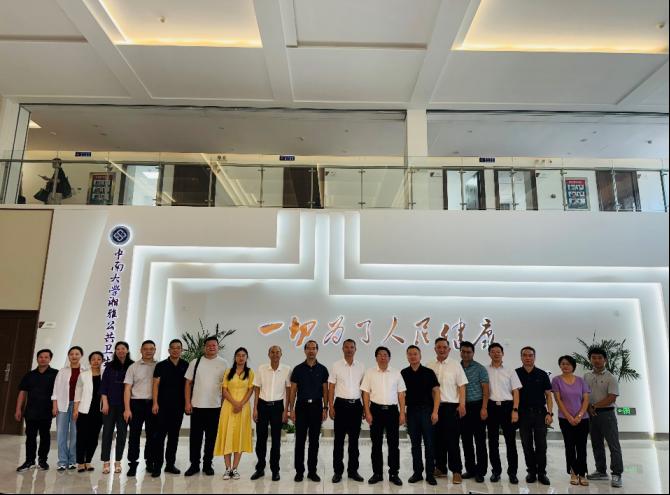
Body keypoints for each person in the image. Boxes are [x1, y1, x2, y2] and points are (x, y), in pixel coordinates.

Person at [361, 346, 407, 487]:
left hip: (392, 411)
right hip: (375, 410)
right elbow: (365, 394)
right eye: (380, 355)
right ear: (376, 357)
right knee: (376, 444)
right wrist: (367, 412)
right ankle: (377, 473)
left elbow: (401, 394)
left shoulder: (396, 373)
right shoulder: (370, 373)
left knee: (394, 444)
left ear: (389, 357)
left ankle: (394, 473)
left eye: (385, 355)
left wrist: (402, 413)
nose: (383, 357)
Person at [184, 336, 228, 476]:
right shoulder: (195, 362)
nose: (211, 347)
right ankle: (194, 465)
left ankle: (208, 464)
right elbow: (188, 383)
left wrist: (224, 405)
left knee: (211, 438)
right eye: (209, 345)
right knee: (195, 438)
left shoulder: (224, 363)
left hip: (215, 406)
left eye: (214, 345)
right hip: (197, 406)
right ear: (204, 347)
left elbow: (226, 387)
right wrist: (187, 402)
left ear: (218, 347)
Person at [427, 337, 468, 484]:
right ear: (435, 349)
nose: (442, 350)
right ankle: (441, 468)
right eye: (439, 347)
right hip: (434, 408)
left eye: (444, 347)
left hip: (451, 407)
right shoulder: (429, 365)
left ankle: (456, 471)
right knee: (437, 439)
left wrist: (462, 404)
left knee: (452, 440)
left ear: (449, 349)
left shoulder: (455, 365)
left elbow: (462, 386)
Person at [289, 340, 329, 482]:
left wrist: (325, 408)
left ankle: (312, 471)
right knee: (300, 441)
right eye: (309, 348)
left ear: (317, 350)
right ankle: (299, 471)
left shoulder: (323, 369)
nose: (311, 351)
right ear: (305, 350)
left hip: (317, 407)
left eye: (314, 348)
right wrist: (291, 409)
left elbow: (325, 390)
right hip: (301, 407)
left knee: (314, 441)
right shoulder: (298, 369)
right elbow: (293, 390)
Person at [250, 345, 291, 482]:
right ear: (269, 354)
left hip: (277, 407)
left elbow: (289, 391)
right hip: (262, 406)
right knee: (260, 439)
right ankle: (260, 468)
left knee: (276, 440)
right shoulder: (261, 368)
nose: (275, 354)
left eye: (277, 352)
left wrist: (286, 410)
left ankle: (275, 470)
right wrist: (255, 408)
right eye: (272, 352)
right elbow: (256, 389)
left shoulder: (286, 369)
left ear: (281, 354)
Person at [585, 347, 624, 488]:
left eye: (600, 358)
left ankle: (617, 474)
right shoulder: (586, 376)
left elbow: (611, 397)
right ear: (590, 359)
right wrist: (588, 408)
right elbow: (584, 394)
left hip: (607, 414)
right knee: (596, 444)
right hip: (591, 415)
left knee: (613, 444)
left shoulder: (610, 377)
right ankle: (601, 471)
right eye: (594, 358)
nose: (597, 360)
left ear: (605, 360)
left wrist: (594, 406)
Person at [328, 338, 365, 483]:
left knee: (354, 441)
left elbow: (364, 389)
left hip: (356, 406)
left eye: (352, 347)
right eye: (346, 347)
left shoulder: (361, 366)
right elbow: (331, 387)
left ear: (355, 349)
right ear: (342, 349)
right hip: (340, 406)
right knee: (338, 440)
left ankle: (353, 471)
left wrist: (365, 407)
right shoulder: (336, 365)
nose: (349, 349)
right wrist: (331, 406)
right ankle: (338, 472)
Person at [401, 345, 440, 486]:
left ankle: (430, 474)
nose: (412, 356)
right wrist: (403, 412)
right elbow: (401, 394)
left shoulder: (429, 372)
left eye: (415, 354)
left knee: (429, 444)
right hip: (411, 412)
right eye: (410, 354)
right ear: (407, 356)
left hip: (427, 411)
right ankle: (417, 473)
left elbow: (436, 392)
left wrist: (435, 411)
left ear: (420, 355)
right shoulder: (404, 373)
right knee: (415, 444)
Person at [214, 347, 255, 480]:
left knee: (239, 436)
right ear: (235, 357)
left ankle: (235, 468)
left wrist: (240, 404)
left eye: (243, 355)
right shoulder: (228, 371)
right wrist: (234, 403)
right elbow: (224, 390)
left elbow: (250, 390)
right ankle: (227, 468)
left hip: (243, 408)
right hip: (228, 407)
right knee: (227, 435)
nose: (241, 358)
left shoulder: (250, 372)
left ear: (246, 358)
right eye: (238, 355)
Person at [15, 349, 58, 472]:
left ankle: (43, 461)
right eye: (40, 357)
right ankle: (29, 461)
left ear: (50, 359)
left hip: (46, 411)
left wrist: (55, 407)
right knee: (30, 437)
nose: (43, 359)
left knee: (45, 436)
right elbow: (22, 392)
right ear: (37, 358)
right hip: (31, 411)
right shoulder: (30, 375)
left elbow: (59, 392)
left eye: (46, 357)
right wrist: (18, 409)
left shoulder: (56, 374)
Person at [151, 338, 188, 477]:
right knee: (159, 437)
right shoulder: (161, 365)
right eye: (173, 347)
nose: (175, 350)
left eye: (178, 348)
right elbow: (155, 385)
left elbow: (188, 386)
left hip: (178, 407)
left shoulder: (185, 365)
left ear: (181, 350)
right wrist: (155, 403)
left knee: (174, 437)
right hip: (162, 407)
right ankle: (157, 466)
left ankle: (170, 464)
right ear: (169, 350)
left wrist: (187, 403)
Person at [515, 346, 553, 485]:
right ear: (521, 357)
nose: (528, 358)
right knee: (527, 444)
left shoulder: (542, 374)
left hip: (540, 414)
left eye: (530, 355)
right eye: (525, 355)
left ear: (534, 357)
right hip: (523, 414)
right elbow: (514, 394)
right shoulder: (516, 373)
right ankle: (531, 472)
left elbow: (548, 396)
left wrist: (549, 413)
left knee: (541, 445)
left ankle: (542, 473)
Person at [552, 355, 591, 487]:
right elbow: (558, 400)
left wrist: (579, 416)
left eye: (568, 364)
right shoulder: (556, 380)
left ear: (573, 366)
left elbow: (586, 400)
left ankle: (582, 474)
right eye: (563, 363)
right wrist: (569, 417)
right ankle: (573, 473)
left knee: (581, 447)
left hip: (583, 419)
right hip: (565, 419)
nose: (565, 366)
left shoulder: (581, 381)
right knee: (569, 446)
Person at [486, 342, 521, 484]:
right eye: (493, 351)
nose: (496, 354)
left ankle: (512, 473)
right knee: (492, 442)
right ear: (489, 354)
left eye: (498, 351)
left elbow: (516, 391)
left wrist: (515, 410)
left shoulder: (510, 370)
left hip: (507, 407)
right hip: (491, 407)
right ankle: (496, 471)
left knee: (510, 442)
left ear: (503, 354)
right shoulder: (485, 370)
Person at [123, 339, 158, 477]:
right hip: (136, 404)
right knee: (134, 436)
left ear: (155, 350)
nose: (148, 351)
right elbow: (127, 388)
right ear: (141, 350)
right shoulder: (133, 367)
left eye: (151, 349)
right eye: (145, 349)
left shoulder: (159, 366)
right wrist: (127, 409)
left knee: (152, 435)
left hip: (153, 404)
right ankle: (132, 464)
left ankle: (150, 462)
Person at [100, 341, 134, 474]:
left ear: (127, 350)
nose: (120, 351)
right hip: (109, 404)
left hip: (125, 406)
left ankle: (118, 461)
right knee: (107, 433)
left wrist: (128, 408)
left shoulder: (132, 365)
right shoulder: (109, 366)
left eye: (123, 348)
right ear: (115, 351)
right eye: (118, 349)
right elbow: (104, 385)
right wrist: (105, 402)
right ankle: (106, 462)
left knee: (122, 433)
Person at [459, 341, 490, 483]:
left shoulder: (480, 368)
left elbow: (486, 390)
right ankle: (470, 469)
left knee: (480, 441)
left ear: (473, 353)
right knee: (466, 440)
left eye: (468, 352)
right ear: (460, 352)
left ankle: (481, 471)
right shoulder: (457, 367)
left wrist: (484, 408)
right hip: (462, 408)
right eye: (463, 351)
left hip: (477, 407)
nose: (466, 354)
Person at [52, 345, 84, 471]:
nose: (74, 356)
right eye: (71, 354)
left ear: (81, 355)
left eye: (77, 354)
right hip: (62, 405)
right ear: (68, 356)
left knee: (76, 433)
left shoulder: (85, 371)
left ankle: (72, 460)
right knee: (61, 433)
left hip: (78, 406)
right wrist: (55, 405)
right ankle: (62, 461)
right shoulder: (62, 371)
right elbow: (56, 389)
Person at [73, 351, 104, 472]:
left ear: (102, 361)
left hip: (99, 411)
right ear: (90, 361)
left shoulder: (105, 375)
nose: (96, 361)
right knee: (81, 437)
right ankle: (80, 462)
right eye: (93, 359)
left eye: (99, 359)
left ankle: (88, 461)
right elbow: (78, 393)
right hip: (83, 410)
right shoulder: (83, 375)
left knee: (93, 437)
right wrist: (75, 409)